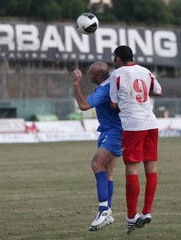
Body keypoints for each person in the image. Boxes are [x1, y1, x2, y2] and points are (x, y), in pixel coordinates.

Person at [109, 45, 162, 234]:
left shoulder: (117, 74)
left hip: (133, 125)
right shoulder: (145, 71)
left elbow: (114, 104)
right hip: (151, 123)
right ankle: (146, 211)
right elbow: (158, 90)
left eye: (114, 57)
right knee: (151, 167)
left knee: (132, 167)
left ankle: (131, 216)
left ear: (118, 59)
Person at [72, 62, 122, 231]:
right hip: (109, 132)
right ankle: (107, 212)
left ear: (99, 77)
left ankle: (103, 210)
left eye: (91, 73)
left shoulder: (103, 89)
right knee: (107, 173)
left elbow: (84, 106)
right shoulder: (108, 85)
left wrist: (77, 84)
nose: (88, 74)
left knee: (96, 164)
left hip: (114, 133)